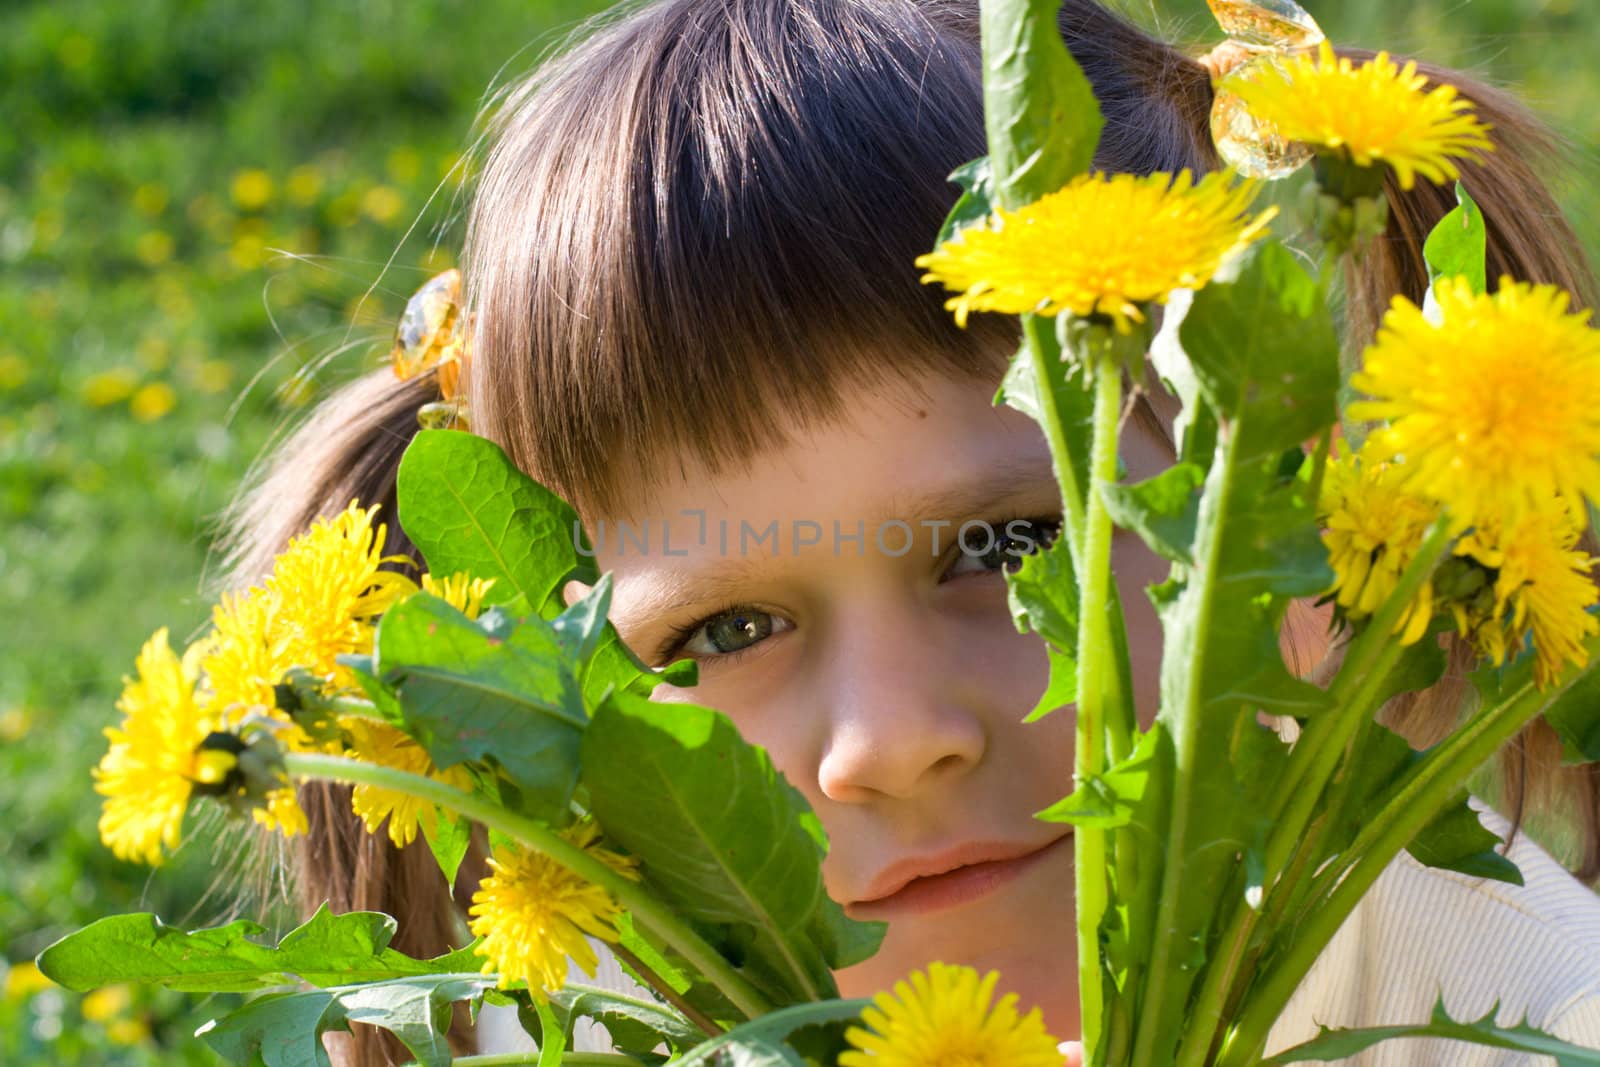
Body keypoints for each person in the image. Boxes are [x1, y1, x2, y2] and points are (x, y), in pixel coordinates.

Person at [215, 0, 1600, 1062]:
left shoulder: (1534, 1014)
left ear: (1295, 500)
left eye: (1005, 546)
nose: (889, 740)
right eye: (726, 628)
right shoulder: (593, 1012)